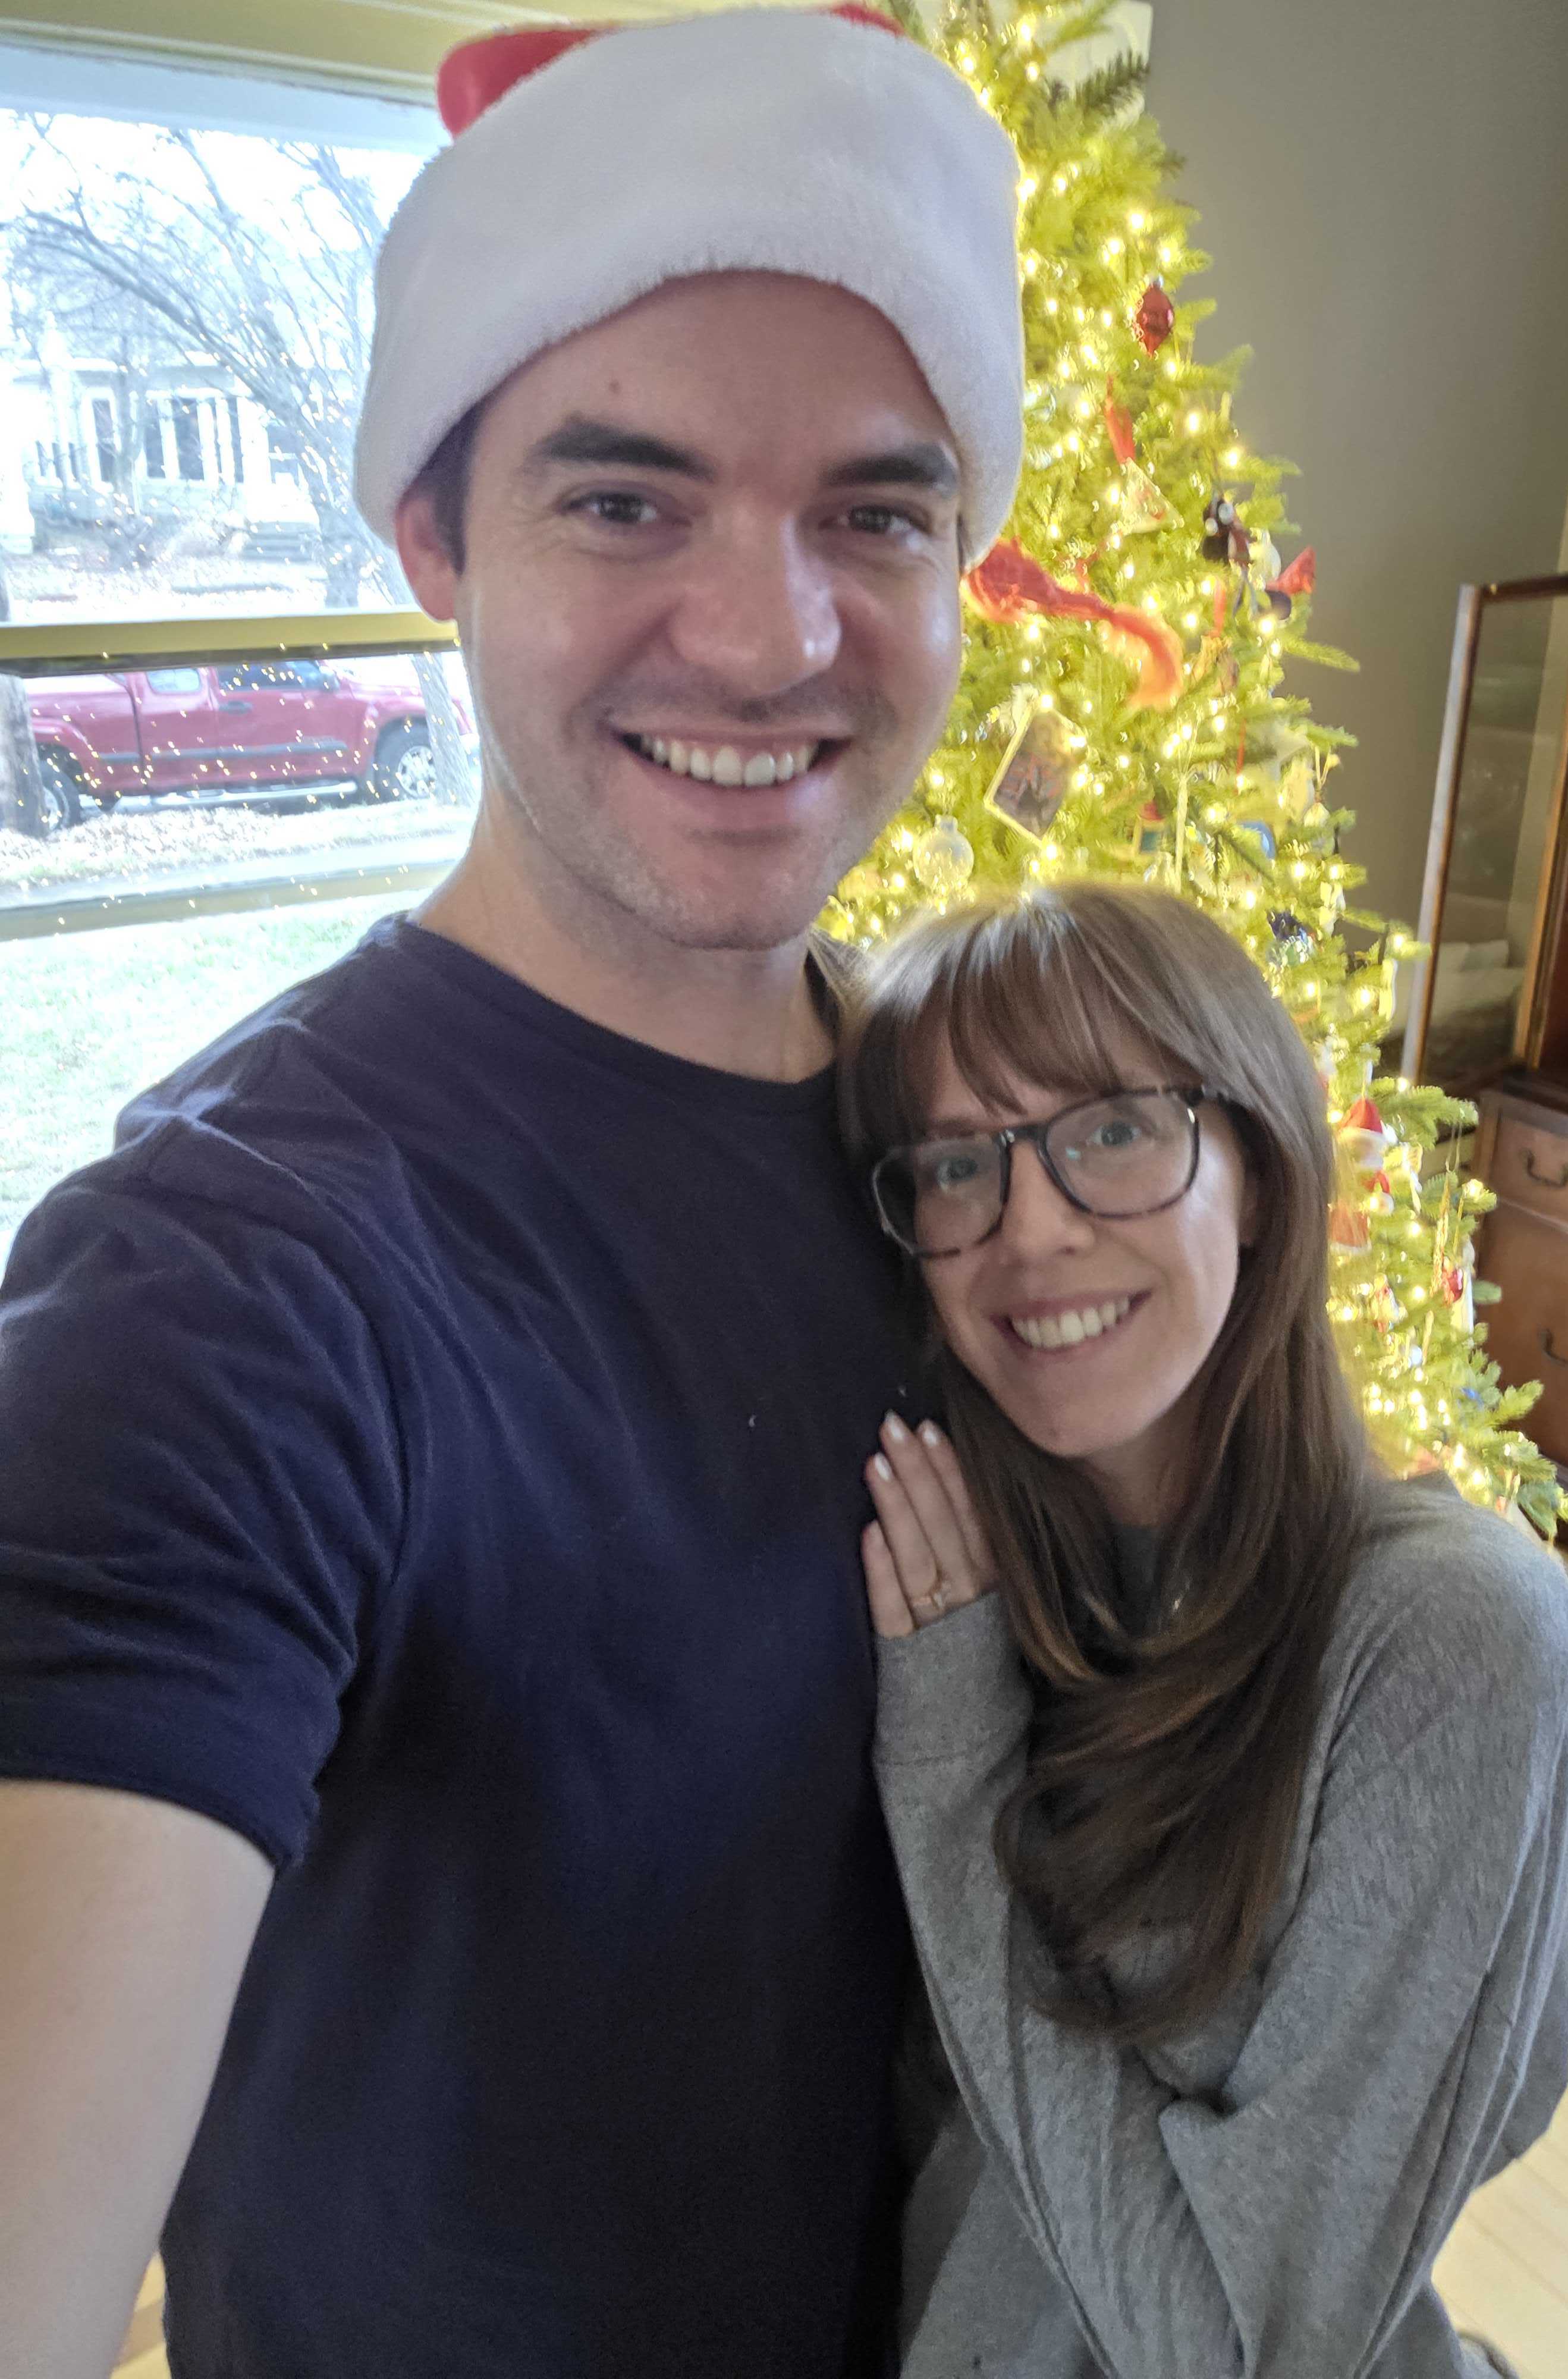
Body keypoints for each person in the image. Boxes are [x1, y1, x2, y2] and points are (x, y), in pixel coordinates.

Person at [0, 12, 1025, 2377]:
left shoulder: (971, 1159)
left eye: (875, 511)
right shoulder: (234, 1283)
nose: (771, 639)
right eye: (624, 498)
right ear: (435, 538)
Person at [836, 883, 1568, 2379]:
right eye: (956, 1164)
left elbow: (1230, 2352)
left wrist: (951, 1766)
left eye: (1115, 1127)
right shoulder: (936, 1561)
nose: (1030, 1228)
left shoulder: (1447, 1636)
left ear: (1257, 1165)